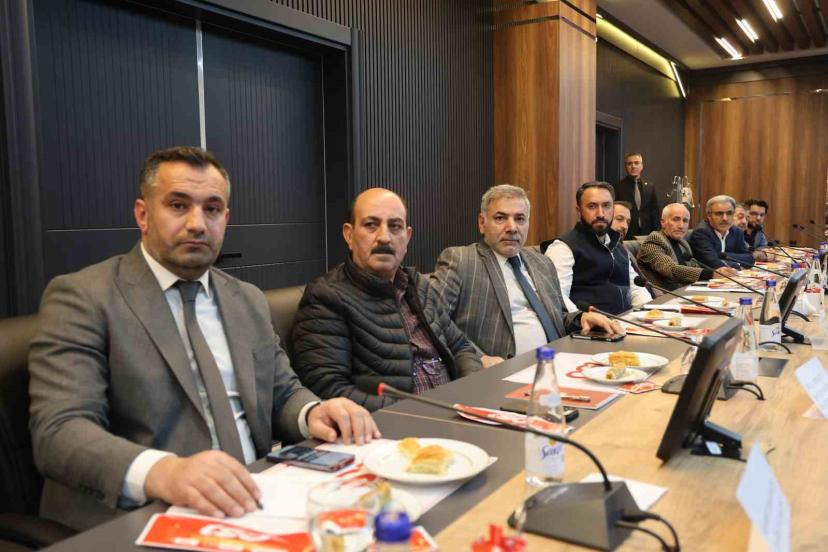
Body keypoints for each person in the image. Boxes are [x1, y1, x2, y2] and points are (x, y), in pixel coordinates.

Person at [28, 147, 379, 531]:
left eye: (212, 209)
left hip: (257, 500)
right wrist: (165, 472)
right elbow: (59, 432)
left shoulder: (247, 299)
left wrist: (312, 412)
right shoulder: (83, 297)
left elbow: (281, 392)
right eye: (178, 205)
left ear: (225, 219)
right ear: (143, 215)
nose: (197, 223)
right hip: (141, 516)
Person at [291, 188, 482, 411]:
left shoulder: (418, 286)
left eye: (395, 226)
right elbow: (328, 388)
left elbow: (461, 347)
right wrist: (416, 412)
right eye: (371, 225)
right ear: (349, 235)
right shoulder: (325, 297)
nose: (384, 237)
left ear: (407, 237)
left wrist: (471, 393)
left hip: (457, 413)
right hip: (396, 425)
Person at [430, 185, 622, 364]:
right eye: (500, 218)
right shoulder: (461, 260)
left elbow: (558, 317)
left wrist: (581, 319)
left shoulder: (542, 263)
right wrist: (476, 358)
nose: (512, 227)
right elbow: (430, 319)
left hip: (558, 363)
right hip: (501, 371)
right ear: (482, 223)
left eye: (520, 219)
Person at [545, 181, 652, 314]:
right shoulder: (563, 248)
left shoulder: (618, 246)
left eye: (606, 206)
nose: (600, 213)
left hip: (627, 321)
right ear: (579, 211)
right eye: (592, 206)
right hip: (590, 325)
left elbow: (636, 289)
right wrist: (582, 319)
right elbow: (558, 298)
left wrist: (649, 315)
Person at [638, 203, 738, 291]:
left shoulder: (683, 243)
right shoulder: (654, 240)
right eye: (676, 219)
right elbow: (671, 270)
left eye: (685, 221)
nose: (681, 225)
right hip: (665, 297)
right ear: (663, 222)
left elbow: (694, 267)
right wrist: (712, 273)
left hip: (686, 292)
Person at [688, 194, 761, 269]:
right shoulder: (701, 232)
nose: (725, 218)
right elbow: (712, 263)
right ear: (709, 215)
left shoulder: (737, 232)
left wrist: (724, 255)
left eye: (729, 213)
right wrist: (738, 265)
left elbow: (749, 259)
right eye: (719, 213)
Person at [614, 152, 659, 236]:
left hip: (647, 233)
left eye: (636, 163)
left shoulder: (650, 187)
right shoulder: (618, 187)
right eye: (629, 163)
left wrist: (657, 233)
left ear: (641, 166)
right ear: (626, 166)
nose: (633, 166)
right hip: (627, 233)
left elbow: (655, 212)